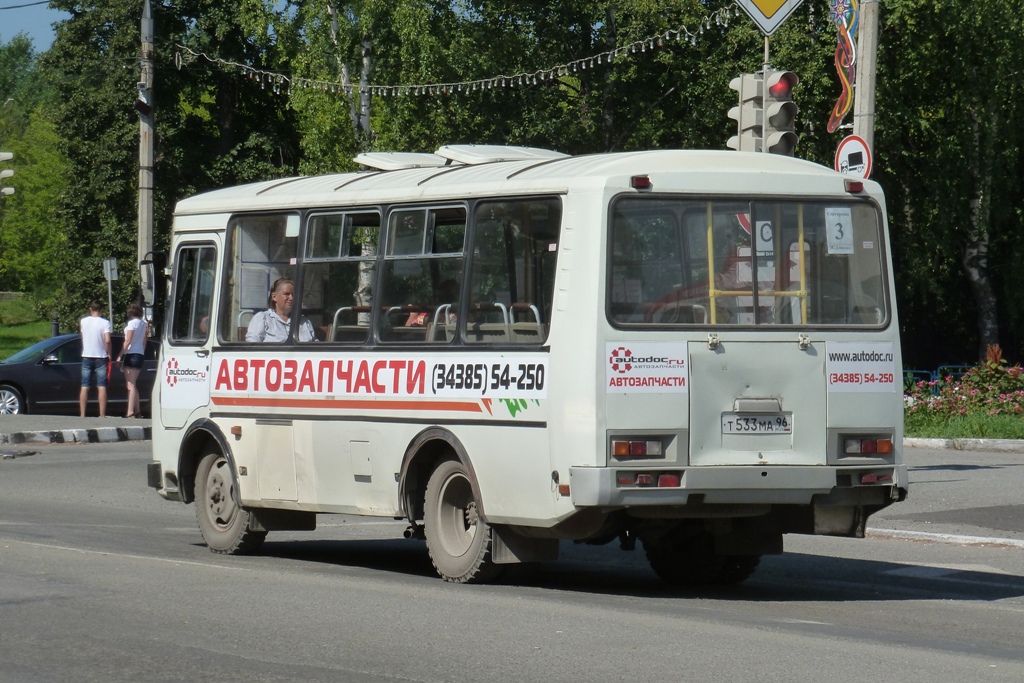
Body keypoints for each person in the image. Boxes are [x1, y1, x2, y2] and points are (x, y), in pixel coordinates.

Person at [245, 277, 316, 342]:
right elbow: (252, 344)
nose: (291, 298)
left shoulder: (304, 321)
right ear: (274, 297)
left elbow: (314, 345)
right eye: (286, 294)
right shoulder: (263, 318)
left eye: (294, 295)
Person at [79, 299, 112, 418]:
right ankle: (102, 414)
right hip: (101, 357)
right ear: (101, 310)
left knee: (84, 386)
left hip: (86, 355)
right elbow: (107, 340)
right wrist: (109, 353)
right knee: (101, 386)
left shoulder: (83, 321)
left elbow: (83, 336)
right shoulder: (105, 323)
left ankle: (82, 414)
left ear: (90, 309)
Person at [116, 304, 147, 418]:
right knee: (134, 384)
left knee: (130, 385)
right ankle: (137, 411)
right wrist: (141, 351)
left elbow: (128, 340)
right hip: (139, 354)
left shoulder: (131, 324)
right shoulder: (144, 324)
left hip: (131, 354)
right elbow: (144, 341)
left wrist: (120, 355)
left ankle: (130, 412)